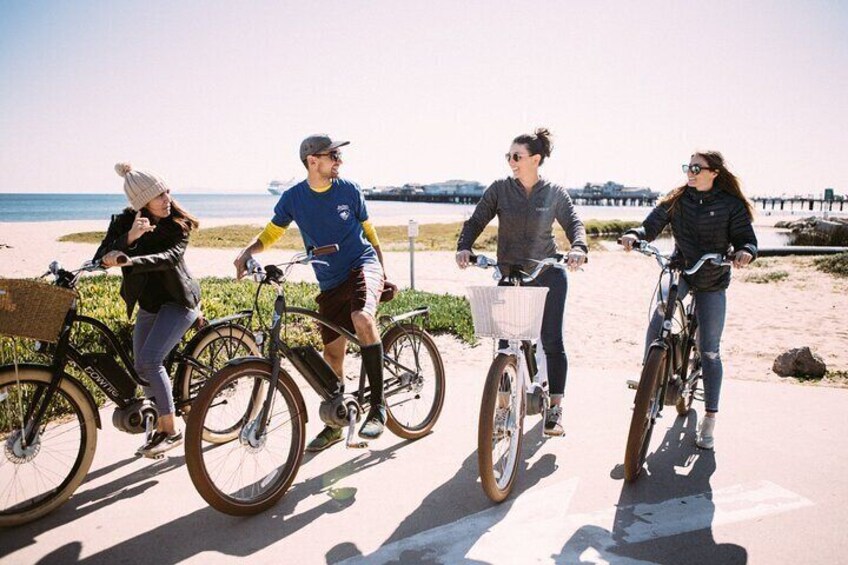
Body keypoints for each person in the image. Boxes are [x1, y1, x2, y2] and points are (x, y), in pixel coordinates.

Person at [234, 134, 395, 452]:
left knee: (361, 317)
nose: (339, 161)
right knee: (332, 356)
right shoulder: (294, 198)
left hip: (362, 265)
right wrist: (246, 252)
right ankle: (335, 424)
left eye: (339, 156)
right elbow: (272, 232)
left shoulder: (349, 190)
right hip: (329, 281)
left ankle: (378, 407)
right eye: (333, 155)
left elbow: (369, 231)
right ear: (313, 161)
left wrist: (382, 269)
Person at [620, 151, 757, 450]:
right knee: (660, 316)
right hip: (681, 269)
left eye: (697, 168)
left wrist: (745, 251)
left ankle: (709, 418)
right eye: (688, 167)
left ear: (714, 173)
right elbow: (651, 225)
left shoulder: (731, 205)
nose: (690, 172)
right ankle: (649, 380)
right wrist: (635, 234)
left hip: (713, 280)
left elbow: (746, 238)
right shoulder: (678, 199)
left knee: (709, 351)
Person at [455, 128, 588, 436]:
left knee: (551, 339)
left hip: (547, 274)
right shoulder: (500, 189)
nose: (511, 161)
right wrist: (465, 245)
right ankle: (503, 408)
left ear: (536, 159)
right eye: (509, 156)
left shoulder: (554, 192)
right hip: (510, 273)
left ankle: (555, 407)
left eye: (517, 156)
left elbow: (574, 223)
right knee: (504, 344)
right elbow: (476, 219)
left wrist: (578, 247)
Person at [94, 162, 201, 458]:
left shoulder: (178, 225)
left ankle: (171, 430)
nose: (167, 199)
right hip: (150, 304)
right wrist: (129, 239)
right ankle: (156, 425)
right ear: (142, 202)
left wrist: (130, 260)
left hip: (179, 301)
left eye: (167, 192)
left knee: (151, 361)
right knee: (142, 368)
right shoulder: (123, 222)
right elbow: (101, 256)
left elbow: (168, 258)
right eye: (159, 195)